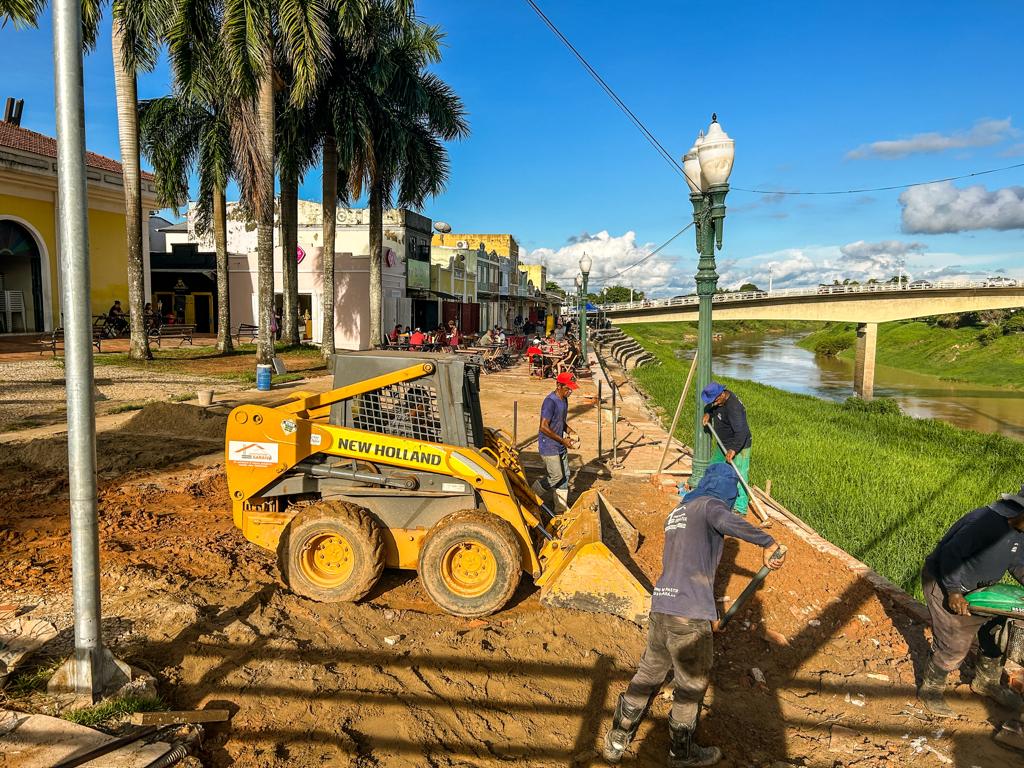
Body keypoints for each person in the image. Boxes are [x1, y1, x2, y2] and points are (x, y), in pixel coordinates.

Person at [603, 463, 785, 767]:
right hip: (687, 618)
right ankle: (681, 754)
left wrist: (708, 616)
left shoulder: (677, 514)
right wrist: (769, 542)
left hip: (662, 608)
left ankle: (616, 740)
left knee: (648, 674)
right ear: (725, 489)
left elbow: (688, 567)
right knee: (690, 686)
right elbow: (725, 519)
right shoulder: (710, 506)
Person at [917, 487, 1024, 718]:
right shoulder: (985, 523)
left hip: (979, 587)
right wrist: (954, 592)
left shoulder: (1019, 531)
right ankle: (931, 690)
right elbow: (950, 555)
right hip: (944, 581)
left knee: (996, 630)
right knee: (954, 642)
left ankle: (987, 681)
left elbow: (1017, 563)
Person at [700, 382, 752, 516]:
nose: (714, 403)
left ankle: (740, 509)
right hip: (722, 443)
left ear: (722, 394)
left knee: (740, 476)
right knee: (714, 468)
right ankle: (710, 494)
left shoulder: (734, 408)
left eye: (715, 400)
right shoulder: (719, 401)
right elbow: (711, 407)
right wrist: (708, 414)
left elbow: (742, 432)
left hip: (739, 446)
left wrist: (734, 449)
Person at [531, 372, 579, 514]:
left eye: (571, 389)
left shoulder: (564, 400)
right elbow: (543, 427)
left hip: (559, 444)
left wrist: (570, 432)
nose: (570, 391)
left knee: (565, 475)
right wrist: (563, 440)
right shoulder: (549, 402)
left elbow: (560, 421)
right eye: (567, 388)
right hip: (549, 445)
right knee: (556, 476)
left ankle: (560, 508)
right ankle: (531, 495)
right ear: (558, 385)